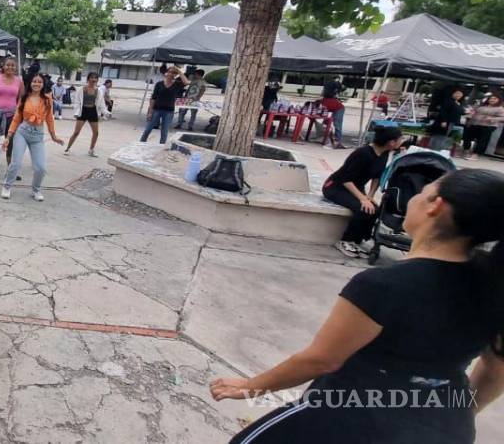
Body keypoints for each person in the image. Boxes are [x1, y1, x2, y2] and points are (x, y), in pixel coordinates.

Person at [211, 168, 504, 444]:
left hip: (355, 417)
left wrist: (249, 387)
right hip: (449, 425)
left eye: (422, 191)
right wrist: (446, 416)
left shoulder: (383, 285)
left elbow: (321, 359)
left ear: (434, 205)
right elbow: (494, 371)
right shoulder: (494, 282)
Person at [322, 126, 405, 258]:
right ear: (391, 142)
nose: (403, 141)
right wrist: (362, 199)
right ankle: (345, 240)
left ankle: (357, 241)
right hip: (336, 187)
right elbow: (346, 180)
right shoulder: (363, 153)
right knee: (362, 208)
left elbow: (376, 177)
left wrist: (370, 196)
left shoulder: (384, 153)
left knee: (375, 209)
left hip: (356, 187)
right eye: (401, 139)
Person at [2, 73, 63, 201]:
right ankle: (7, 186)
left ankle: (36, 189)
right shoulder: (24, 98)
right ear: (30, 83)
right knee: (16, 163)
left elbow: (49, 119)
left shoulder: (47, 99)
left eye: (39, 82)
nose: (37, 84)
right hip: (22, 132)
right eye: (34, 81)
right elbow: (17, 118)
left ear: (43, 84)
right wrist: (9, 136)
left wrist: (53, 136)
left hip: (38, 135)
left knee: (40, 167)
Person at [141, 66, 188, 144]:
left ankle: (161, 146)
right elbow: (153, 98)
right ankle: (141, 143)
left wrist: (179, 71)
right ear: (166, 73)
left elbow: (186, 82)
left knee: (164, 132)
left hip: (168, 111)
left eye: (173, 73)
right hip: (156, 110)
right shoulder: (159, 84)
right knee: (148, 129)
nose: (171, 74)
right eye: (169, 72)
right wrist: (150, 111)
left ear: (175, 75)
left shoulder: (177, 84)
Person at [64, 72, 103, 157]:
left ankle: (91, 150)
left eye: (95, 78)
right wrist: (76, 112)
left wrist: (105, 112)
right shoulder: (82, 89)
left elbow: (101, 103)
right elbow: (77, 101)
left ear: (97, 80)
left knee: (96, 133)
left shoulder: (98, 90)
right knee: (76, 132)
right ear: (88, 79)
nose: (93, 79)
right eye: (92, 77)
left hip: (93, 111)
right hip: (83, 111)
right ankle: (67, 149)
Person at [463, 94, 504, 159]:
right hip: (474, 123)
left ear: (499, 100)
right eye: (491, 98)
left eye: (495, 99)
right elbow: (473, 112)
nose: (492, 100)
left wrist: (492, 119)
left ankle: (475, 155)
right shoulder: (482, 106)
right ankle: (466, 151)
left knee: (482, 140)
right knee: (467, 137)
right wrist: (470, 118)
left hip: (488, 126)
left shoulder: (500, 108)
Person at [428, 87, 467, 152]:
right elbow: (443, 111)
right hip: (444, 121)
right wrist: (444, 121)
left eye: (460, 94)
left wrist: (465, 112)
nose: (458, 95)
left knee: (444, 135)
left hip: (451, 122)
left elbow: (459, 112)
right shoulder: (448, 101)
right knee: (439, 135)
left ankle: (438, 149)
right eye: (457, 93)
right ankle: (433, 149)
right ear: (453, 93)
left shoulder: (457, 102)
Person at [321, 77, 347, 149]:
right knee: (325, 124)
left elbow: (342, 87)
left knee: (337, 125)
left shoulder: (328, 95)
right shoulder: (326, 98)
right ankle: (330, 140)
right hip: (334, 107)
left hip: (338, 109)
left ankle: (338, 142)